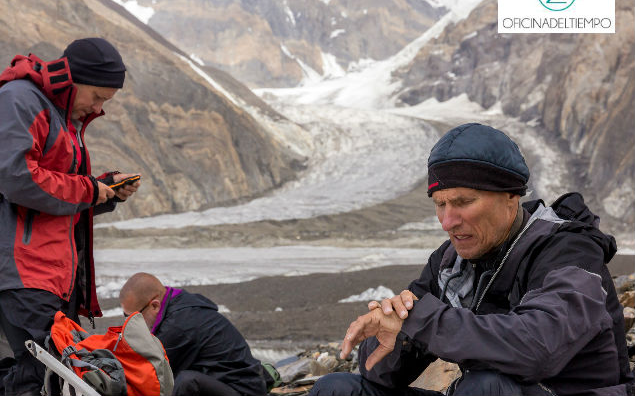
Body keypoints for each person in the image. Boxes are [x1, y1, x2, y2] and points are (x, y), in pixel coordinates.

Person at [310, 123, 633, 396]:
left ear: (511, 196)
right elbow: (380, 374)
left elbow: (537, 348)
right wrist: (395, 334)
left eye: (463, 202)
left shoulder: (569, 251)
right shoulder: (450, 261)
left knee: (485, 386)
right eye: (440, 204)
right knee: (338, 388)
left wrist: (423, 320)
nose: (447, 222)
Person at [0, 37, 141, 396]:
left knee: (52, 375)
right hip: (23, 269)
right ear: (72, 79)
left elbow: (55, 195)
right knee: (40, 374)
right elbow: (18, 179)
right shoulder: (22, 100)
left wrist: (103, 192)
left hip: (49, 272)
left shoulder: (63, 117)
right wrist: (89, 189)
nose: (98, 106)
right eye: (96, 96)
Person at [119, 272, 269, 396]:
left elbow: (151, 374)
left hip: (244, 391)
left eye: (133, 317)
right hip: (224, 383)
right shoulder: (177, 303)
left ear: (154, 305)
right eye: (126, 316)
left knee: (186, 382)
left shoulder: (178, 326)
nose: (129, 322)